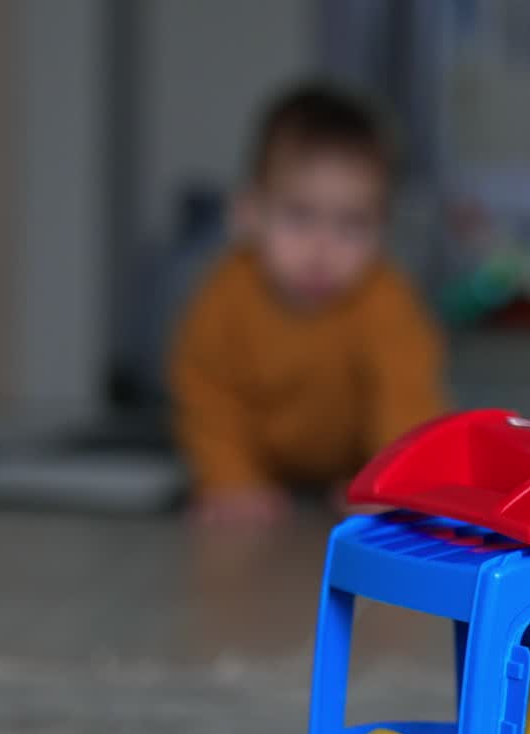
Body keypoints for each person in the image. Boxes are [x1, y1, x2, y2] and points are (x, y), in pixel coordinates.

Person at [171, 85, 447, 525]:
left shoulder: (385, 299)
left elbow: (406, 399)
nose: (322, 249)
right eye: (299, 216)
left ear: (383, 228)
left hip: (352, 461)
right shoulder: (225, 295)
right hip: (259, 463)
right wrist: (231, 480)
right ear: (249, 213)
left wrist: (392, 483)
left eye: (351, 224)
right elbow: (207, 397)